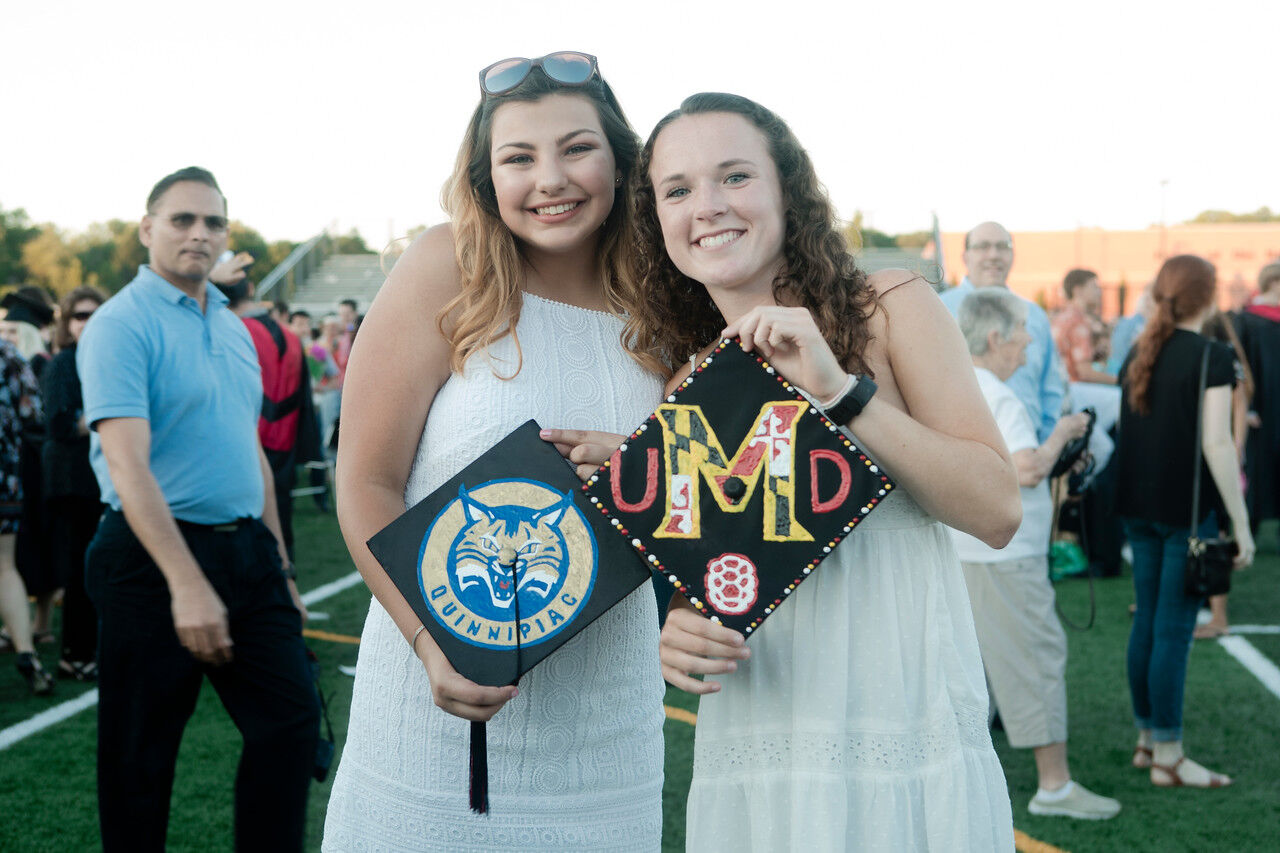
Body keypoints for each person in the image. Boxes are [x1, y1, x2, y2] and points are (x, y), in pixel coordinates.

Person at [623, 92, 1019, 849]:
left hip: (900, 716)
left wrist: (841, 391)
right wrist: (675, 631)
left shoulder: (892, 305)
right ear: (657, 219)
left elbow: (996, 508)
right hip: (763, 728)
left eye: (735, 176)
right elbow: (710, 577)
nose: (707, 205)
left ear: (786, 190)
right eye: (677, 189)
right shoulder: (688, 385)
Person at [322, 53, 666, 851]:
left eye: (577, 148)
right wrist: (429, 640)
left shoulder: (667, 294)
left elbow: (701, 496)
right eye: (519, 157)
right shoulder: (448, 263)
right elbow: (367, 482)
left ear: (620, 158)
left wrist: (646, 472)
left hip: (608, 730)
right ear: (485, 177)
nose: (550, 178)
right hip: (435, 711)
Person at [77, 166, 319, 851]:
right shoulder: (121, 324)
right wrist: (188, 585)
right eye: (182, 219)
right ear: (147, 228)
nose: (198, 234)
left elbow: (253, 460)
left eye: (212, 222)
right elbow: (127, 465)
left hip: (247, 551)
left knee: (292, 723)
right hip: (151, 557)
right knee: (139, 758)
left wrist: (284, 571)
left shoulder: (236, 328)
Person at [954, 288, 1120, 819]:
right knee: (1035, 661)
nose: (1031, 342)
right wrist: (1065, 435)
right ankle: (1054, 786)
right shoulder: (1000, 396)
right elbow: (1025, 470)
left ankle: (964, 780)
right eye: (1024, 330)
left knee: (973, 673)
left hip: (968, 552)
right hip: (1007, 558)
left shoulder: (958, 387)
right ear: (997, 335)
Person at [1116, 253, 1254, 788]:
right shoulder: (1212, 357)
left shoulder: (1139, 352)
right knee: (1172, 630)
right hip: (1185, 514)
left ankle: (1149, 740)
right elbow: (1217, 443)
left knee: (1149, 622)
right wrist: (1241, 525)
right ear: (1210, 296)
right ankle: (1169, 756)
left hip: (1139, 510)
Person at [213, 276, 322, 562]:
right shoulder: (290, 337)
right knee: (280, 523)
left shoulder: (228, 330)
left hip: (242, 445)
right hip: (284, 442)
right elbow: (304, 400)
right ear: (250, 289)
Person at [940, 222, 1067, 443]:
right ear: (965, 257)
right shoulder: (938, 309)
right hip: (965, 450)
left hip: (1030, 446)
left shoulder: (1035, 316)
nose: (993, 255)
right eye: (983, 246)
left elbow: (1051, 387)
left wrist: (1044, 443)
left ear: (1012, 255)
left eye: (1003, 246)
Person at [41, 285, 108, 681]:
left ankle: (86, 648)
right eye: (79, 316)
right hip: (69, 479)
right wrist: (111, 414)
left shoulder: (105, 356)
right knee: (78, 570)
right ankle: (73, 654)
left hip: (98, 478)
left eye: (95, 314)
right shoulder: (64, 362)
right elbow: (59, 423)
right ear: (66, 323)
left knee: (94, 569)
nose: (88, 322)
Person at [0, 336, 52, 694]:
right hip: (5, 473)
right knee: (4, 566)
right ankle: (26, 651)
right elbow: (33, 411)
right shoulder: (7, 353)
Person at [1052, 269, 1115, 385]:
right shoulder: (1078, 321)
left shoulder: (1061, 317)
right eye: (1094, 287)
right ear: (1078, 291)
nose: (1099, 292)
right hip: (1073, 387)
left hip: (1061, 385)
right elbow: (1084, 373)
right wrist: (1120, 381)